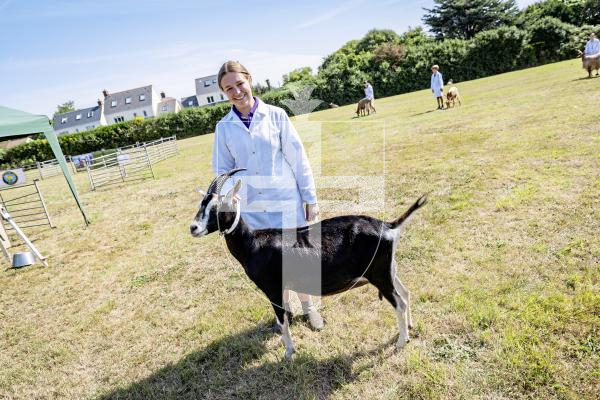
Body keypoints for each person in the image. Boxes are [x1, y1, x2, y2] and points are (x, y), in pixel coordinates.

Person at [212, 60, 324, 331]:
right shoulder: (224, 127)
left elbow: (299, 159)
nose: (236, 92)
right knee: (269, 264)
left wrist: (310, 198)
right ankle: (282, 314)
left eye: (240, 84)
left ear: (249, 79)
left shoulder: (276, 115)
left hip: (286, 201)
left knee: (298, 258)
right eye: (229, 89)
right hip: (252, 208)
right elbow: (221, 170)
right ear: (223, 93)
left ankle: (310, 310)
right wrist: (228, 196)